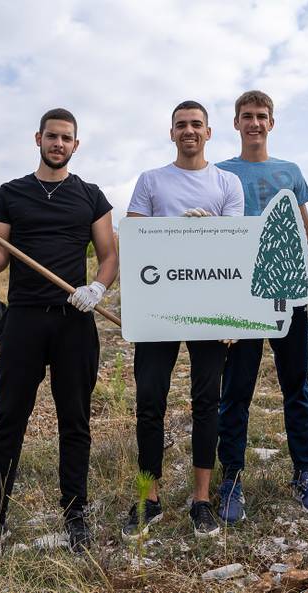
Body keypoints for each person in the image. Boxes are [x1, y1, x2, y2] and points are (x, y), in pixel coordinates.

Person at [0, 108, 119, 555]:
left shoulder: (91, 196)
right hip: (24, 320)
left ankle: (76, 517)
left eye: (66, 138)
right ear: (38, 139)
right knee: (9, 420)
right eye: (52, 136)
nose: (58, 143)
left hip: (74, 319)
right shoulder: (11, 193)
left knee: (75, 422)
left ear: (76, 144)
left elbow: (109, 255)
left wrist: (97, 287)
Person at [121, 100, 245, 539]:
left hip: (208, 306)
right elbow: (136, 239)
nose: (189, 131)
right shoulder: (151, 181)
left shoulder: (227, 183)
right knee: (149, 401)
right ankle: (149, 499)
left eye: (196, 124)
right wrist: (176, 230)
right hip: (159, 305)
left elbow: (234, 247)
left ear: (209, 132)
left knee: (207, 402)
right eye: (181, 125)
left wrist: (231, 316)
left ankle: (202, 500)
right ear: (171, 132)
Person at [214, 90, 308, 524]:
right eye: (247, 116)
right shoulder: (221, 172)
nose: (254, 123)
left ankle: (304, 474)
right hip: (241, 296)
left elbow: (305, 230)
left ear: (271, 123)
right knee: (236, 390)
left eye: (261, 116)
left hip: (287, 291)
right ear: (236, 123)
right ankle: (231, 479)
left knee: (296, 385)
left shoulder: (289, 172)